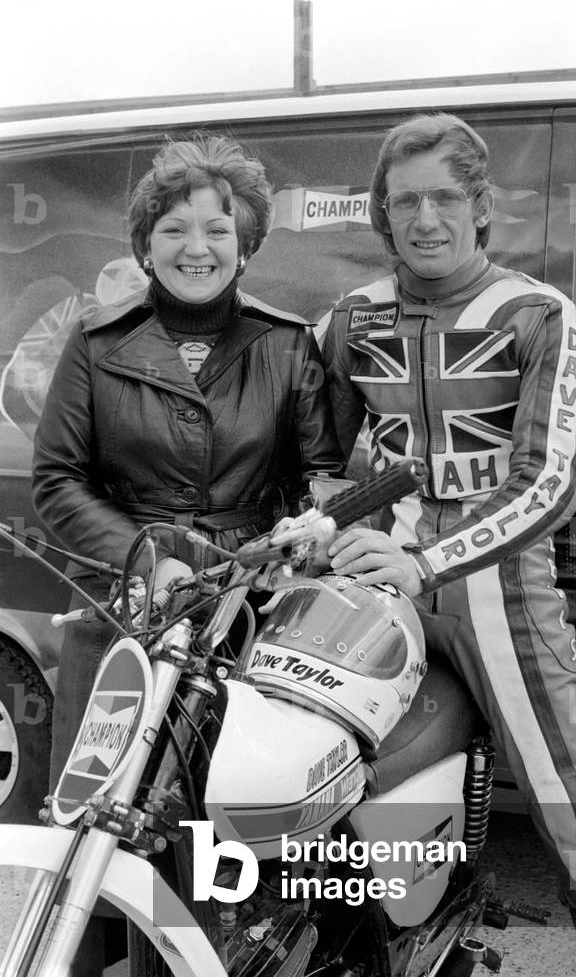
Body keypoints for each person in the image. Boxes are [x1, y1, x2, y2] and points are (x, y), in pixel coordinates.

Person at [322, 113, 576, 977]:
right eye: (405, 200)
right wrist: (332, 527)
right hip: (382, 601)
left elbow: (549, 484)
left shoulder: (535, 312)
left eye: (445, 196)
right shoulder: (348, 318)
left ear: (482, 208)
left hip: (503, 605)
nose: (424, 217)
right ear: (381, 212)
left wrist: (424, 560)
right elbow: (324, 469)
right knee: (347, 822)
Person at [32, 132, 343, 972]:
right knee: (98, 832)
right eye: (173, 228)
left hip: (242, 617)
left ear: (247, 242)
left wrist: (312, 533)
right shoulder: (97, 344)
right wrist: (146, 554)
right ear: (143, 243)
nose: (195, 247)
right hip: (123, 620)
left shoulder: (286, 344)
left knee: (213, 837)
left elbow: (322, 475)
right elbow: (56, 482)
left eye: (217, 227)